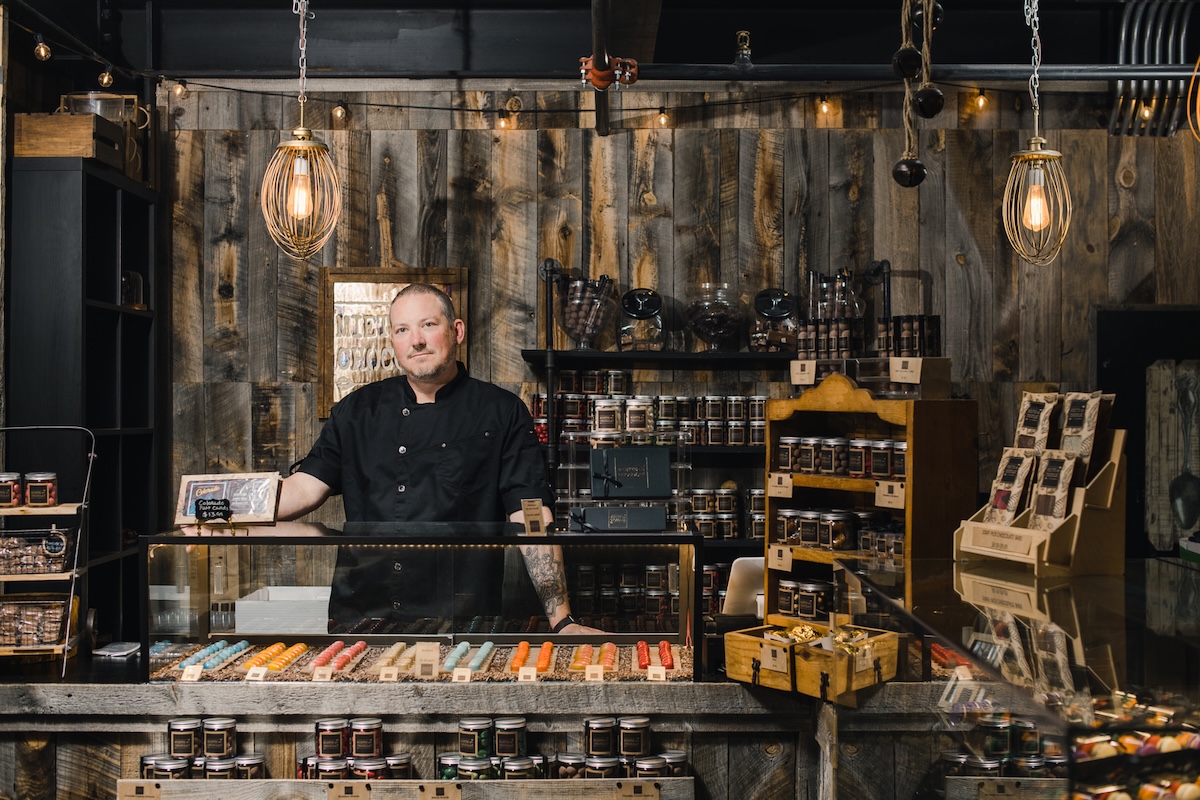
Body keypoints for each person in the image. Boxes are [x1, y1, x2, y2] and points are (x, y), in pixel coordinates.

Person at [279, 282, 596, 634]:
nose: (416, 340)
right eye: (403, 330)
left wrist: (562, 619)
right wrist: (222, 505)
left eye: (428, 325)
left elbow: (531, 513)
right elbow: (303, 490)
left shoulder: (500, 412)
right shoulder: (356, 411)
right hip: (362, 619)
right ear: (394, 341)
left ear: (456, 331)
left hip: (461, 621)